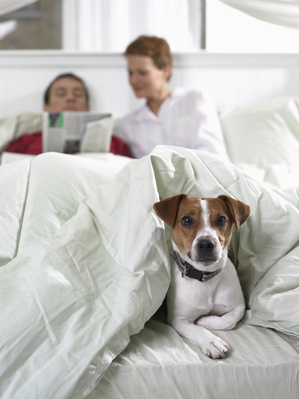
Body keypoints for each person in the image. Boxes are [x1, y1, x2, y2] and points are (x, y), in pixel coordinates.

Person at [116, 35, 229, 160]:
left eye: (142, 73)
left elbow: (214, 154)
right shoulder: (127, 125)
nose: (133, 80)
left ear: (166, 70)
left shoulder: (195, 100)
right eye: (130, 73)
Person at [5, 73, 133, 157]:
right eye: (61, 94)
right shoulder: (24, 142)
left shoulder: (115, 144)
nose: (70, 98)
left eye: (77, 94)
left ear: (87, 108)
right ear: (46, 108)